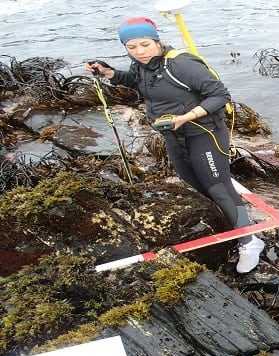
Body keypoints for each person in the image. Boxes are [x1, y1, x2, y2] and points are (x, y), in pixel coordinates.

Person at [85, 17, 264, 273]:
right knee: (194, 182)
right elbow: (137, 82)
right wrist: (110, 73)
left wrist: (187, 117)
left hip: (205, 132)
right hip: (173, 134)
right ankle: (233, 224)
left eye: (145, 44)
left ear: (157, 40)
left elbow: (221, 94)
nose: (140, 52)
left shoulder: (181, 63)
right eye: (132, 47)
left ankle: (250, 240)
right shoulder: (141, 65)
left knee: (219, 188)